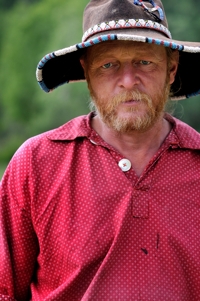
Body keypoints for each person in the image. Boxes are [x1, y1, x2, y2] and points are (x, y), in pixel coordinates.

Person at [1, 0, 200, 300]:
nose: (128, 81)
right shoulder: (36, 164)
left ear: (171, 68)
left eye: (145, 62)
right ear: (88, 75)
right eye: (108, 65)